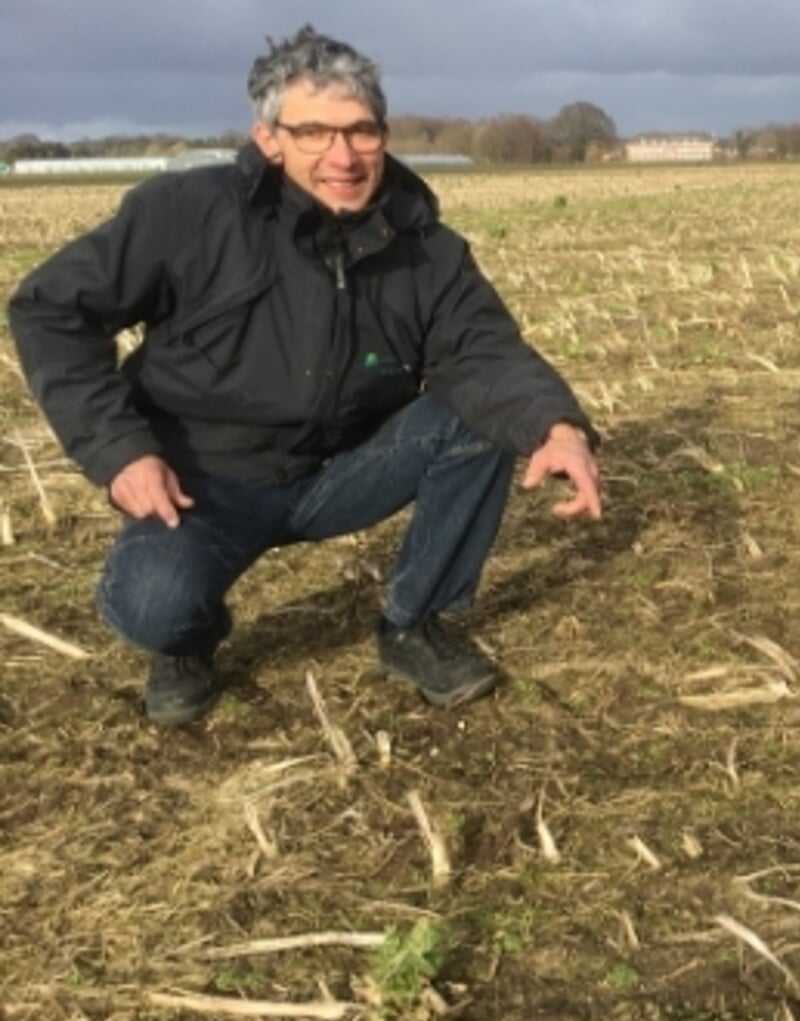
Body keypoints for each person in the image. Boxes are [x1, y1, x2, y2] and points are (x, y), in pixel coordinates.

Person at [8, 27, 604, 725]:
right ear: (269, 139)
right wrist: (119, 452)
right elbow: (51, 310)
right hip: (203, 480)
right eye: (314, 132)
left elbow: (483, 351)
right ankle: (186, 646)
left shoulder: (422, 247)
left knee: (482, 415)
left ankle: (415, 625)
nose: (342, 156)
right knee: (152, 604)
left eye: (361, 132)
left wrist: (556, 428)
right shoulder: (187, 214)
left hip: (346, 469)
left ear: (384, 133)